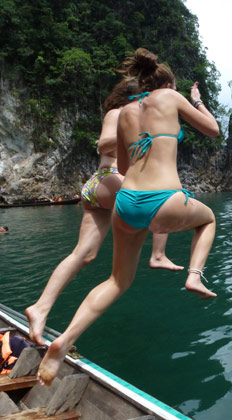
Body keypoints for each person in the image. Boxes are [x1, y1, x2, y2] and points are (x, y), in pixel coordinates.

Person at [36, 48, 220, 386]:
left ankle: (63, 341)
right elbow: (213, 130)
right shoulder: (171, 96)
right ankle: (194, 275)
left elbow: (121, 167)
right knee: (207, 220)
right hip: (164, 199)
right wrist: (195, 101)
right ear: (167, 83)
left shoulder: (124, 114)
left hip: (127, 203)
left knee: (117, 281)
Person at [25, 78, 181, 348]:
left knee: (84, 254)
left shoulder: (142, 118)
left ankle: (39, 307)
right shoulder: (119, 113)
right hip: (106, 180)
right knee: (159, 197)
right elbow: (102, 144)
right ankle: (158, 255)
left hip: (99, 193)